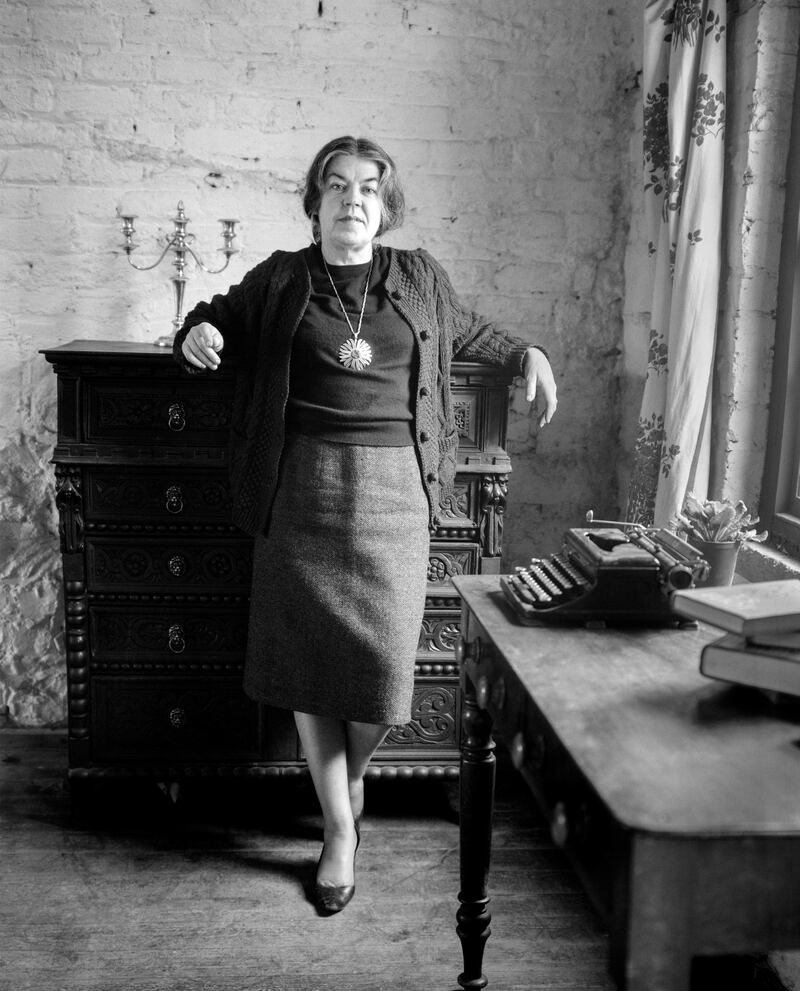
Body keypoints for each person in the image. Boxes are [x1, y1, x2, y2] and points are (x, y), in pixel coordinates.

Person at [173, 135, 557, 915]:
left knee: (382, 676)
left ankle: (343, 781)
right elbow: (216, 319)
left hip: (394, 495)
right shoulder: (282, 277)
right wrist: (197, 333)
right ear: (314, 201)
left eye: (370, 188)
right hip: (299, 490)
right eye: (338, 186)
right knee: (307, 668)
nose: (354, 199)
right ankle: (340, 827)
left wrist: (531, 355)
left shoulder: (417, 275)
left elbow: (477, 332)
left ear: (386, 205)